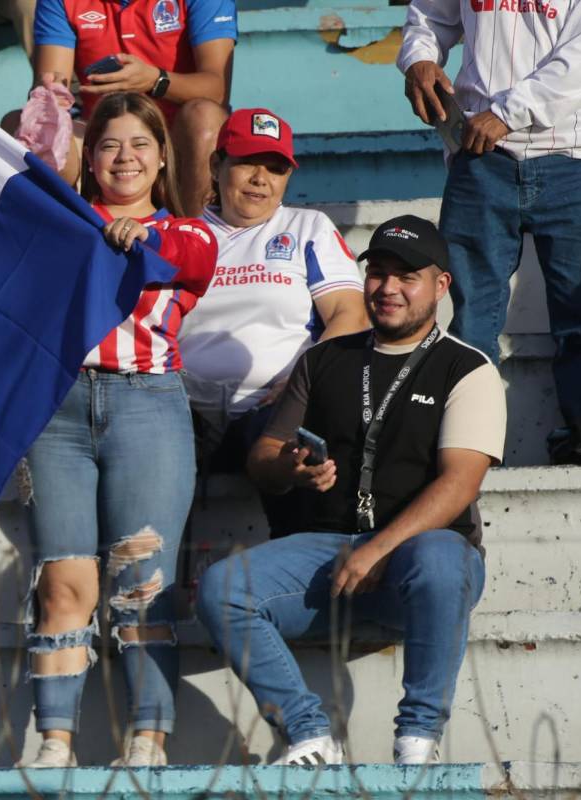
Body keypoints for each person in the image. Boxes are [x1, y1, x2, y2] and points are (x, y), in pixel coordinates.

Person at [196, 215, 505, 766]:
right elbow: (263, 456)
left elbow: (461, 481)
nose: (388, 289)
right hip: (327, 560)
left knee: (441, 559)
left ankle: (418, 739)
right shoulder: (323, 360)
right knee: (222, 587)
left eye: (407, 277)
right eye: (378, 273)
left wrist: (379, 547)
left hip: (417, 565)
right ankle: (309, 734)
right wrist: (289, 468)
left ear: (441, 286)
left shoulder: (467, 367)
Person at [19, 91, 216, 769]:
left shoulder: (189, 231)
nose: (125, 158)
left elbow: (187, 261)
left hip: (147, 409)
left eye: (139, 145)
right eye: (109, 146)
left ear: (163, 158)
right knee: (62, 586)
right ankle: (53, 744)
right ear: (89, 160)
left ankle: (148, 744)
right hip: (59, 413)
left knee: (142, 584)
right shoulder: (61, 227)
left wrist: (143, 236)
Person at [399, 0, 581, 425]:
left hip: (574, 156)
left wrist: (506, 113)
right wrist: (420, 57)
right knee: (471, 319)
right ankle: (467, 443)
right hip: (480, 154)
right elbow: (429, 16)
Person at [178, 107, 368, 532]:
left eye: (276, 168)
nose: (261, 178)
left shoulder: (307, 227)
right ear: (216, 164)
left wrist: (302, 380)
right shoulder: (183, 234)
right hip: (185, 411)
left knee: (302, 449)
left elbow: (349, 314)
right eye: (247, 162)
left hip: (276, 405)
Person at [29, 0, 236, 212]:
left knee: (206, 117)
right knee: (36, 125)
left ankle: (196, 236)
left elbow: (217, 90)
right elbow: (51, 90)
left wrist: (155, 81)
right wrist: (49, 97)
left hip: (177, 139)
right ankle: (66, 235)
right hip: (102, 137)